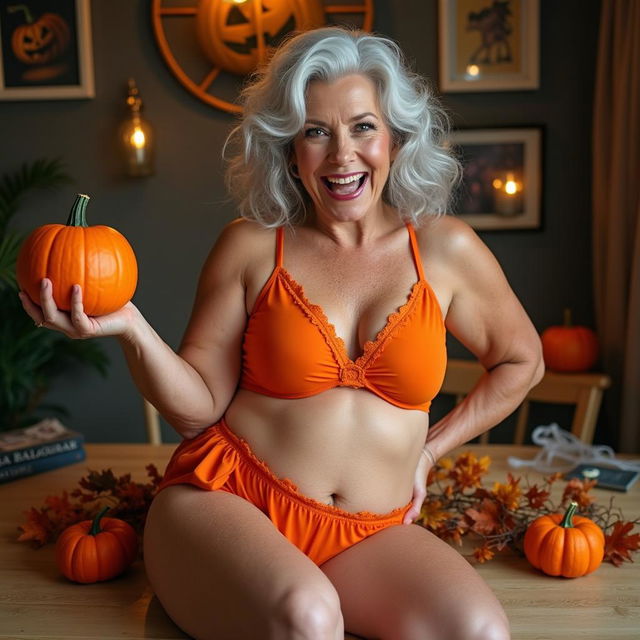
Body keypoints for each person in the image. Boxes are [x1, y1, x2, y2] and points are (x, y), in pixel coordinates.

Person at [19, 27, 543, 640]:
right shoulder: (250, 247)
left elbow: (520, 361)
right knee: (307, 618)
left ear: (397, 139)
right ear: (290, 151)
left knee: (480, 631)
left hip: (367, 533)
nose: (342, 154)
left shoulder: (447, 250)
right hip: (228, 503)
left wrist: (428, 451)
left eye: (363, 127)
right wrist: (131, 327)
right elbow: (198, 411)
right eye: (316, 132)